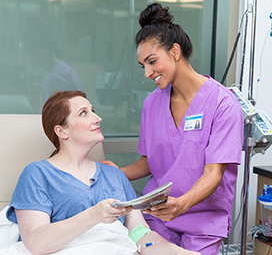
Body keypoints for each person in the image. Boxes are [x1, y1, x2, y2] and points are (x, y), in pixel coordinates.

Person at [101, 3, 244, 255]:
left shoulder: (222, 104)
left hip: (203, 220)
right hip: (158, 215)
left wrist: (182, 204)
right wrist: (119, 172)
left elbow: (214, 173)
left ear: (175, 51)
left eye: (152, 61)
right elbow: (150, 162)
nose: (147, 73)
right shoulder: (151, 104)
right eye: (142, 65)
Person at [6, 90, 200, 255]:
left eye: (93, 111)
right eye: (83, 113)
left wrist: (176, 251)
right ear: (62, 131)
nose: (97, 118)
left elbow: (139, 233)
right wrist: (93, 216)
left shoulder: (114, 175)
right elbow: (36, 243)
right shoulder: (37, 174)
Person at [20, 15, 85, 111]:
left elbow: (56, 119)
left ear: (41, 51)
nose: (25, 59)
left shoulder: (55, 79)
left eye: (27, 54)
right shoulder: (61, 70)